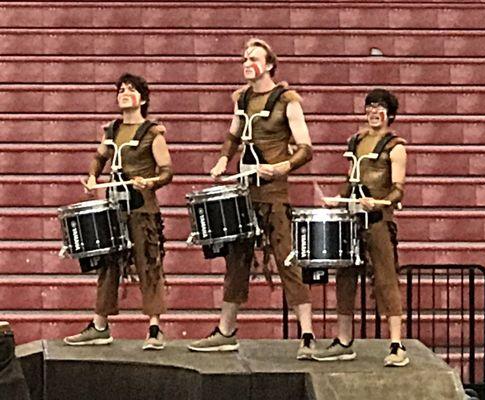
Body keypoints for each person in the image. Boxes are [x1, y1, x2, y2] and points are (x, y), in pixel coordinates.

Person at [187, 38, 316, 359]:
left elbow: (306, 148)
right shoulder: (242, 98)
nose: (247, 62)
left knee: (287, 259)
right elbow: (233, 134)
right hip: (244, 193)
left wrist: (281, 167)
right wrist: (222, 159)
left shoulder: (287, 100)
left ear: (269, 64)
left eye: (254, 58)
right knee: (236, 261)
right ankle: (226, 331)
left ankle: (308, 334)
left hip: (272, 192)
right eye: (244, 57)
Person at [63, 73, 173, 350]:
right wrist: (91, 177)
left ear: (143, 98)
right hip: (114, 208)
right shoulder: (111, 130)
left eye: (130, 89)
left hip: (142, 208)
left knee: (149, 264)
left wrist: (151, 182)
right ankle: (99, 325)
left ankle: (154, 328)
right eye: (121, 89)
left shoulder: (152, 132)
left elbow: (167, 170)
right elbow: (99, 158)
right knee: (107, 266)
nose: (124, 93)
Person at [313, 88, 409, 367]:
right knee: (345, 278)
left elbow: (398, 190)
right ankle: (343, 340)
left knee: (386, 280)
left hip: (378, 222)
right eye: (369, 107)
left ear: (390, 114)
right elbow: (352, 180)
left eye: (379, 108)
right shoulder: (355, 142)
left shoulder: (396, 147)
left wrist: (378, 204)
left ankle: (396, 344)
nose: (373, 113)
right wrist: (337, 199)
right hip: (353, 219)